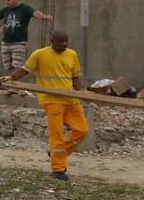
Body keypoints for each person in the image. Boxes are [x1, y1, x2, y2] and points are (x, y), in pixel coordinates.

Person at [5, 30, 87, 181]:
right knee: (56, 133)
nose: (64, 44)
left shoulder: (72, 55)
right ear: (52, 41)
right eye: (61, 41)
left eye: (66, 41)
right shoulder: (40, 54)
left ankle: (57, 153)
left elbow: (75, 77)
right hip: (51, 99)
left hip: (70, 99)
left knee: (82, 130)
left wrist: (81, 92)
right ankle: (58, 169)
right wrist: (10, 78)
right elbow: (24, 70)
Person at [0, 0, 53, 73]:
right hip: (6, 42)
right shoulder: (6, 10)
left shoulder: (25, 8)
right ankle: (11, 84)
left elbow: (35, 13)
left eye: (9, 0)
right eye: (5, 0)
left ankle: (16, 84)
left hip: (19, 43)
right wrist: (0, 27)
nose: (7, 2)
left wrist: (45, 16)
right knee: (9, 67)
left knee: (18, 67)